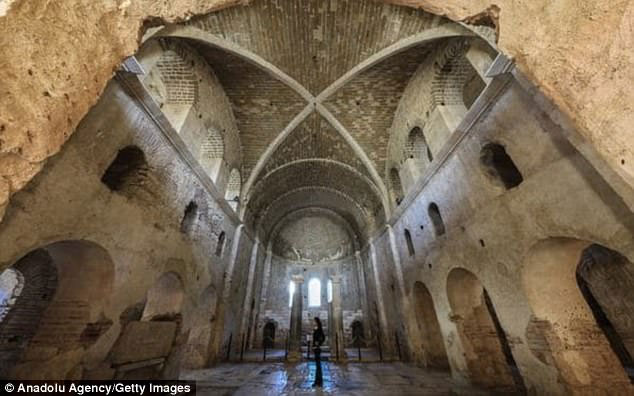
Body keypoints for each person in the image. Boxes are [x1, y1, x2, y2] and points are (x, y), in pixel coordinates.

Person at [312, 317, 325, 387]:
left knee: (318, 366)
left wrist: (319, 343)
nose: (313, 322)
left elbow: (323, 337)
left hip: (317, 348)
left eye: (314, 321)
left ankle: (319, 382)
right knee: (317, 366)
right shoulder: (316, 329)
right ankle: (317, 381)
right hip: (315, 348)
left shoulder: (319, 329)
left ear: (317, 321)